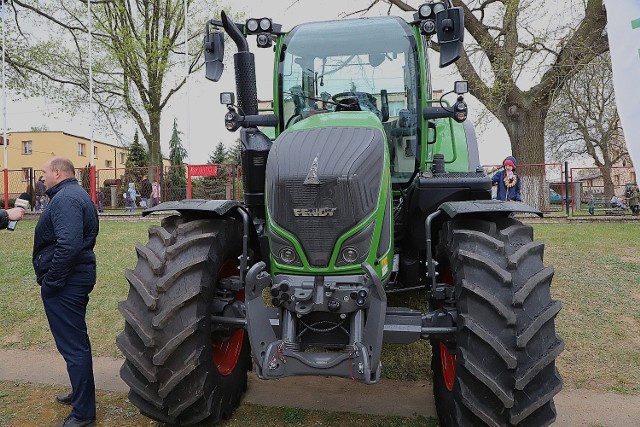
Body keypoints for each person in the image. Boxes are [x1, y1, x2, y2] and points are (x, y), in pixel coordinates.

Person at [32, 157, 99, 427]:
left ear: (58, 173)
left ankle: (83, 414)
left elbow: (69, 245)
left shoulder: (66, 199)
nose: (42, 177)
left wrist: (52, 282)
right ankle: (80, 394)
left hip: (67, 283)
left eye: (44, 172)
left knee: (74, 346)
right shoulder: (72, 194)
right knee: (75, 342)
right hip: (74, 279)